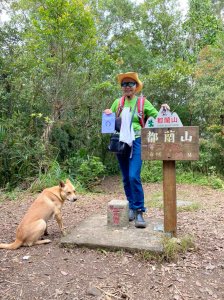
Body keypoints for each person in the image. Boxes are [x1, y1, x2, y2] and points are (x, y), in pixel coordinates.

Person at [104, 72, 170, 228]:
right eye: (124, 84)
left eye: (130, 84)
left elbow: (158, 118)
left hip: (137, 141)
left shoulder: (142, 103)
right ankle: (132, 207)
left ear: (136, 87)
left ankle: (140, 210)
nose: (127, 87)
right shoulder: (117, 102)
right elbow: (109, 121)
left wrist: (164, 109)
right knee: (126, 178)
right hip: (121, 142)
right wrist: (108, 113)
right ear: (122, 88)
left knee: (134, 176)